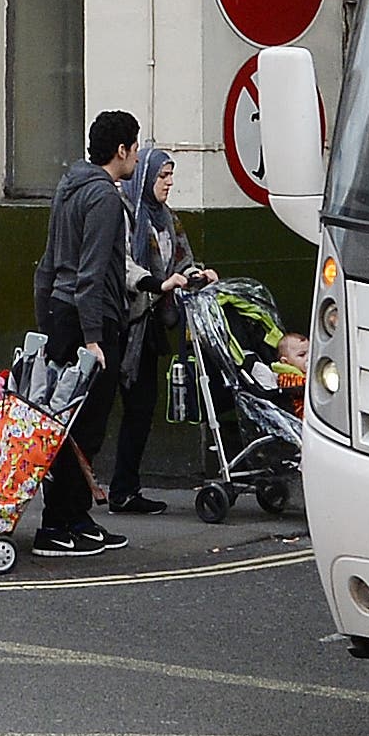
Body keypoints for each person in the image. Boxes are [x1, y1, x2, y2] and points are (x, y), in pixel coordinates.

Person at [31, 111, 141, 555]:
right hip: (89, 321)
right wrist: (93, 338)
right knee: (84, 429)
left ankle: (75, 517)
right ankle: (56, 526)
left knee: (64, 423)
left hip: (62, 315)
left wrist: (48, 323)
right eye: (135, 147)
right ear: (121, 151)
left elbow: (48, 262)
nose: (137, 155)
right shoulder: (105, 199)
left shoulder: (69, 187)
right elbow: (91, 274)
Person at [107, 146, 211, 516]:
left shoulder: (167, 219)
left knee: (141, 407)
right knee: (106, 408)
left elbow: (182, 261)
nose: (168, 183)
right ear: (145, 178)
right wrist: (156, 284)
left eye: (170, 175)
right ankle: (107, 488)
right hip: (123, 322)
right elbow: (125, 265)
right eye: (162, 176)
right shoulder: (127, 217)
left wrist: (198, 275)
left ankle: (124, 489)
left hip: (150, 324)